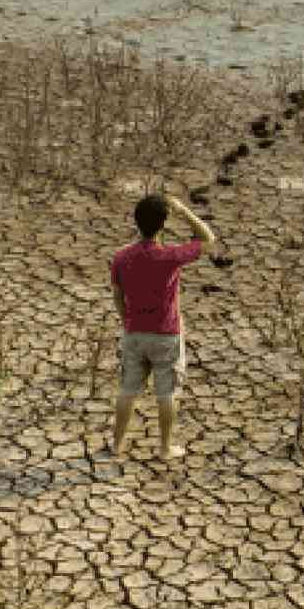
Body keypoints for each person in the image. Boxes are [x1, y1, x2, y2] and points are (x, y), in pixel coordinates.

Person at [109, 189, 218, 462]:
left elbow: (117, 295)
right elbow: (208, 239)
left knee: (127, 390)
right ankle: (165, 448)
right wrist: (183, 211)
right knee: (166, 393)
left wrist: (128, 322)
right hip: (166, 334)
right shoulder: (170, 256)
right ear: (163, 224)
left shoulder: (121, 257)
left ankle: (116, 445)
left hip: (134, 333)